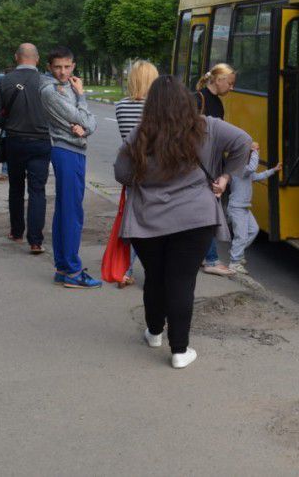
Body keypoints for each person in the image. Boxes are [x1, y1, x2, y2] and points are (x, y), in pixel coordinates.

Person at [114, 76, 251, 369]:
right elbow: (243, 143)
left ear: (151, 106)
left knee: (155, 277)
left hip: (147, 219)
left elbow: (121, 174)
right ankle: (180, 350)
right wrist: (225, 176)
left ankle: (153, 332)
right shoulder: (208, 127)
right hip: (195, 217)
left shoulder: (140, 134)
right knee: (182, 280)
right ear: (186, 101)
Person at [40, 47, 99, 289]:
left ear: (73, 65)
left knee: (66, 210)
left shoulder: (65, 89)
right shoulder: (51, 91)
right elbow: (86, 121)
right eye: (57, 67)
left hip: (71, 151)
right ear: (49, 67)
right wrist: (82, 100)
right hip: (67, 151)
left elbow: (87, 124)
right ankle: (72, 271)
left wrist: (84, 127)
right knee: (72, 212)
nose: (63, 72)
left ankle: (64, 267)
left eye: (67, 66)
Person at [0, 43, 51, 255]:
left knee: (16, 188)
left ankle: (16, 232)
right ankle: (35, 241)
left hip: (14, 142)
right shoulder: (46, 82)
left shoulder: (4, 82)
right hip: (42, 142)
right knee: (37, 190)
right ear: (38, 59)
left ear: (16, 57)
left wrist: (10, 125)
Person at [114, 59, 159, 288]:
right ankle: (156, 269)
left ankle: (125, 269)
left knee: (133, 221)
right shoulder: (155, 109)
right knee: (156, 222)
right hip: (154, 170)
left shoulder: (121, 106)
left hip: (132, 169)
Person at [194, 63, 237, 276]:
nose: (231, 87)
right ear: (218, 80)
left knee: (206, 210)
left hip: (212, 164)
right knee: (208, 210)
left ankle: (205, 257)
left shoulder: (216, 103)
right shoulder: (198, 99)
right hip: (203, 166)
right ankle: (210, 259)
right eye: (230, 83)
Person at [226, 142, 281, 274]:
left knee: (253, 230)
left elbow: (257, 176)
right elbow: (252, 168)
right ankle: (234, 262)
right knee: (241, 236)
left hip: (244, 207)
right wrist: (255, 150)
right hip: (237, 207)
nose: (249, 156)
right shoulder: (239, 169)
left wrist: (273, 170)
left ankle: (236, 252)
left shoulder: (244, 171)